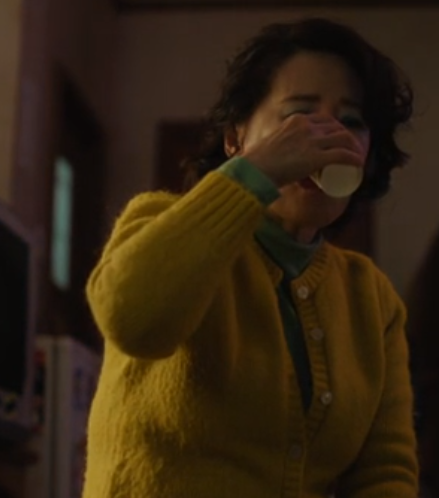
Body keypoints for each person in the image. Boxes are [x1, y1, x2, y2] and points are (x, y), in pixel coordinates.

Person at [82, 17, 418, 498]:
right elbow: (132, 319)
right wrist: (256, 173)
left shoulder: (372, 298)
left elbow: (385, 472)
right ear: (235, 137)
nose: (324, 137)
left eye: (352, 121)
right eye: (297, 116)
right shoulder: (158, 221)